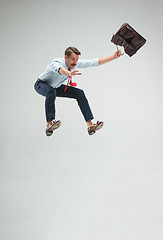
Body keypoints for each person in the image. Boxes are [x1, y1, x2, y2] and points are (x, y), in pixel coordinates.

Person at [34, 47, 122, 136]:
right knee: (51, 91)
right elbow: (60, 70)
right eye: (72, 59)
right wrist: (68, 73)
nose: (75, 62)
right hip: (41, 84)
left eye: (76, 59)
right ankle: (49, 123)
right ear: (66, 57)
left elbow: (94, 62)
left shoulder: (75, 63)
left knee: (79, 93)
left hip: (56, 87)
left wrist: (113, 57)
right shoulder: (56, 62)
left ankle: (90, 125)